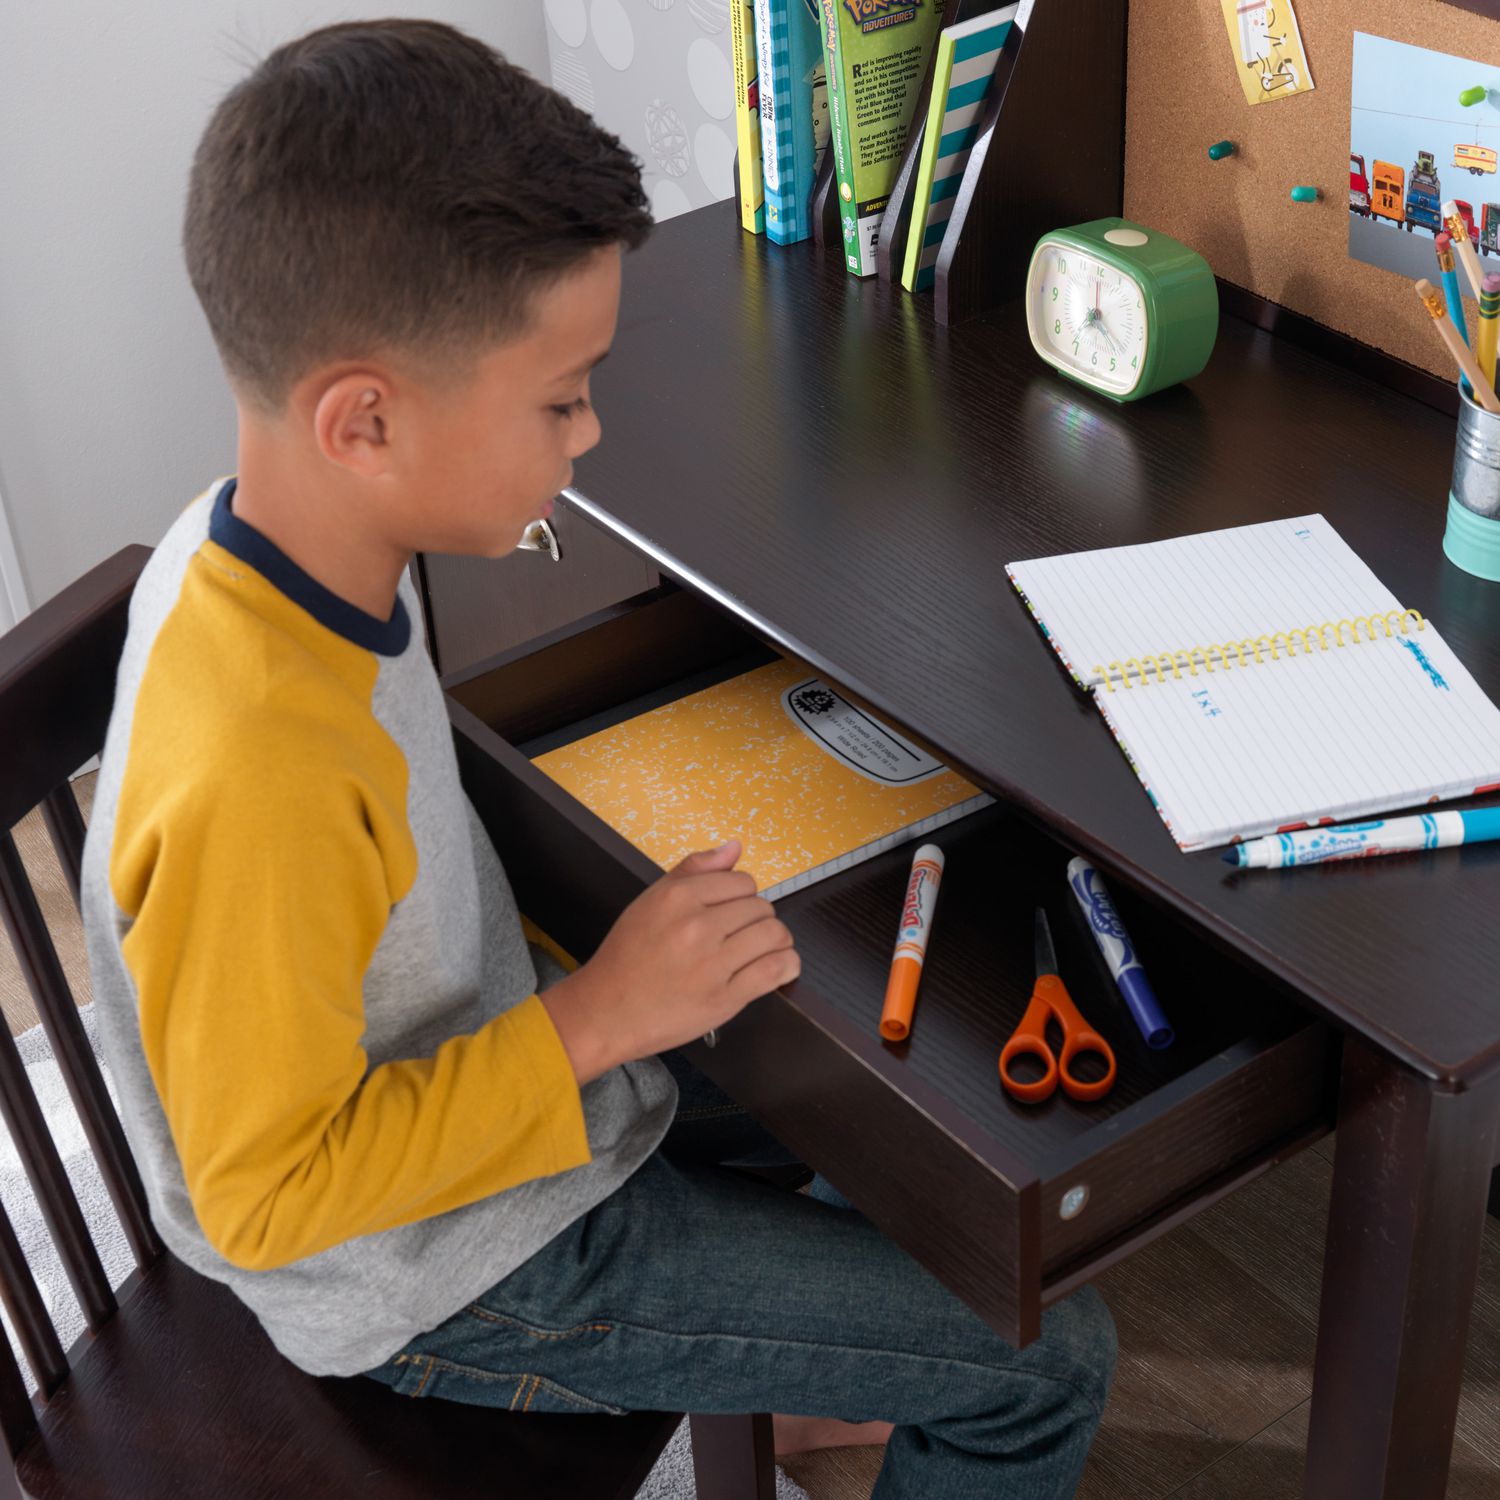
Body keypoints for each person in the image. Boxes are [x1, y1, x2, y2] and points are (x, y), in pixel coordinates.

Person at [80, 20, 1115, 1495]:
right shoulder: (258, 766)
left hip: (482, 1083)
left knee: (894, 1094)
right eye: (559, 398)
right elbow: (271, 1201)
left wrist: (605, 1017)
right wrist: (597, 1023)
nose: (589, 432)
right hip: (431, 1267)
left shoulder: (271, 539)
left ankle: (817, 1382)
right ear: (363, 419)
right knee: (1049, 1363)